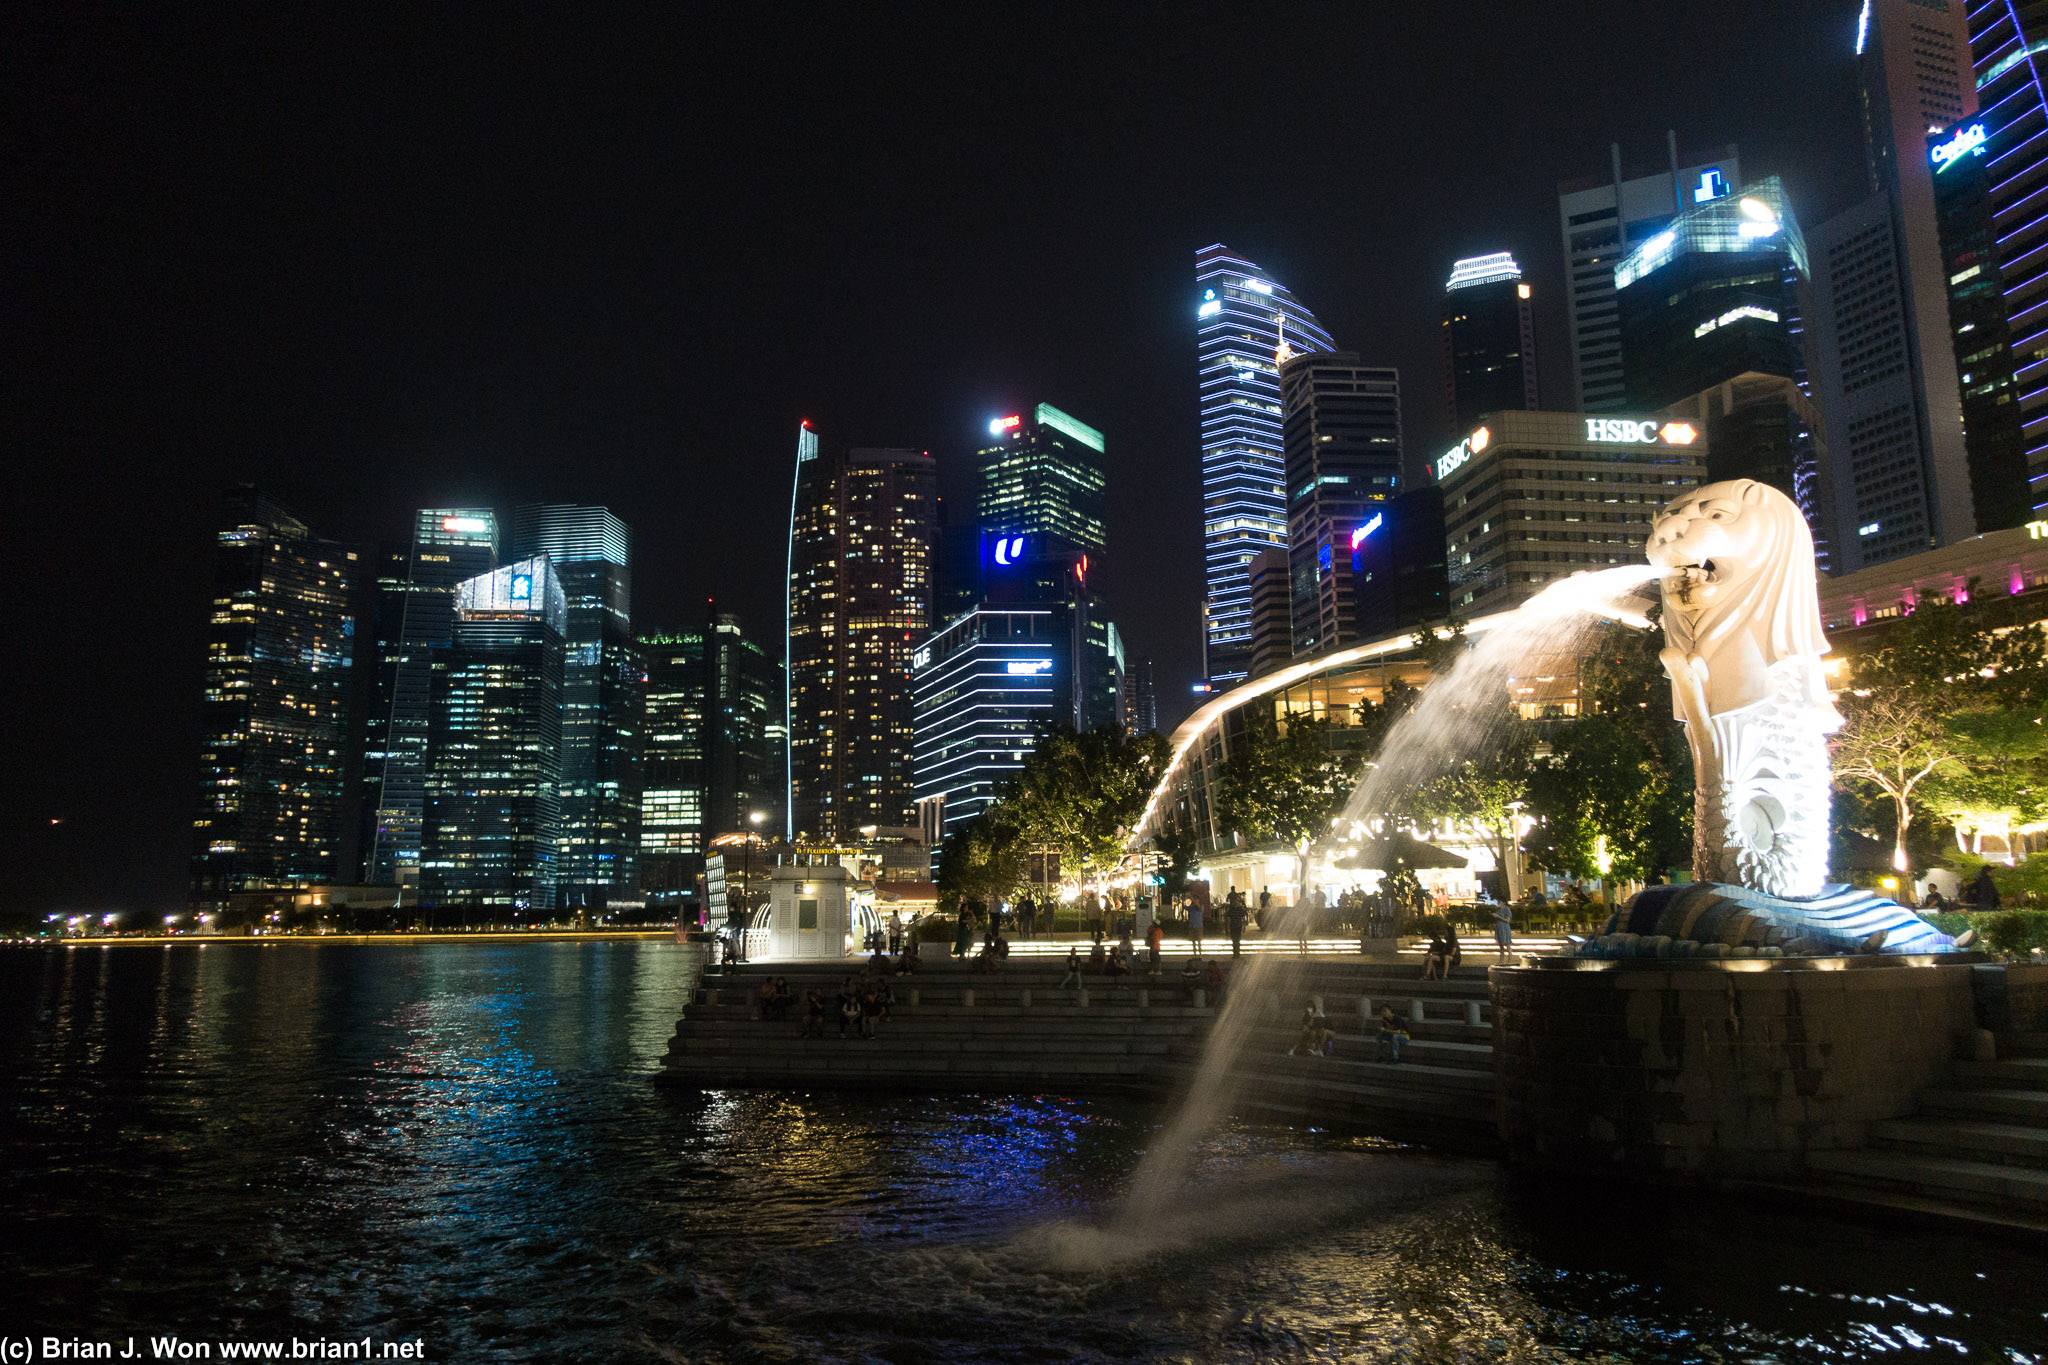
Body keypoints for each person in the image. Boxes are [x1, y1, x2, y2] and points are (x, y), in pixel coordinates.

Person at [1226, 890, 1247, 957]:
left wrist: (1244, 927)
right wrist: (1228, 927)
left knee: (1237, 940)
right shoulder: (1231, 909)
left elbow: (1243, 919)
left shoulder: (1240, 909)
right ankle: (1235, 953)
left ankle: (1237, 953)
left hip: (1238, 926)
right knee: (1234, 940)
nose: (1235, 902)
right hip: (1233, 926)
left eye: (1236, 901)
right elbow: (1228, 919)